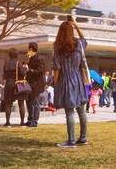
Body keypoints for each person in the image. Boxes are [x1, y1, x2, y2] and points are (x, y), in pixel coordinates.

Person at [53, 15, 89, 148]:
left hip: (66, 79)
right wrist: (76, 25)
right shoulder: (78, 44)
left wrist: (55, 83)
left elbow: (56, 67)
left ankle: (71, 140)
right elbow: (84, 39)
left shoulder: (58, 46)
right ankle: (83, 138)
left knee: (69, 111)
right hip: (78, 80)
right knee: (81, 110)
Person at [25, 42, 46, 127]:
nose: (28, 50)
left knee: (35, 102)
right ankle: (30, 118)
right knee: (29, 101)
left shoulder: (39, 59)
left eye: (29, 49)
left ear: (32, 49)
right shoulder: (30, 58)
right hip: (29, 83)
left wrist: (29, 70)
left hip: (36, 84)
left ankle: (35, 120)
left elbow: (40, 71)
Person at [1, 49, 21, 127]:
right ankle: (22, 122)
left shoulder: (6, 63)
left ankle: (7, 122)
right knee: (21, 103)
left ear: (9, 55)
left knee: (8, 103)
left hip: (8, 83)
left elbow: (4, 74)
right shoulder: (18, 63)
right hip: (16, 84)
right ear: (16, 55)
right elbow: (22, 72)